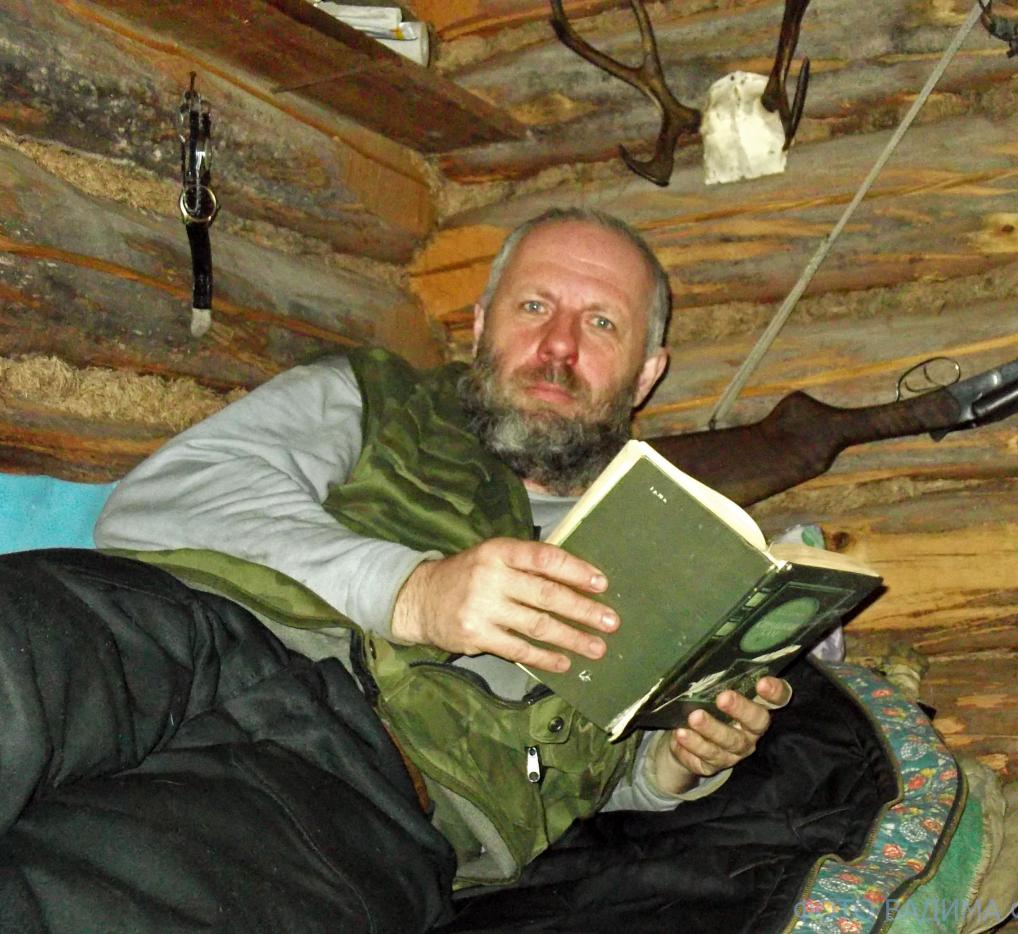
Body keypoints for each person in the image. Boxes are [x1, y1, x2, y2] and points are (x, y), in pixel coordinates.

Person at [0, 208, 795, 931]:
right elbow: (158, 500)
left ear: (646, 372)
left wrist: (672, 765)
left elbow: (595, 770)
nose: (559, 346)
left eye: (600, 323)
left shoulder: (671, 553)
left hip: (361, 783)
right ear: (480, 325)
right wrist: (410, 591)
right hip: (186, 628)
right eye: (533, 306)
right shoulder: (373, 394)